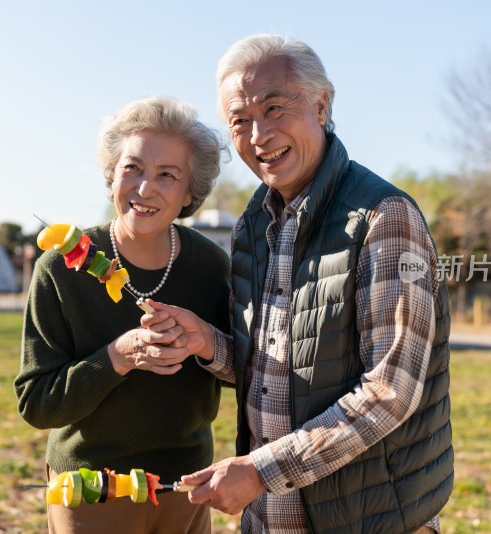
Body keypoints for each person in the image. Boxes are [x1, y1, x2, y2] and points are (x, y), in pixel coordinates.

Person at [143, 34, 453, 533]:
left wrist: (262, 470)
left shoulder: (382, 218)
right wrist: (209, 344)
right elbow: (272, 368)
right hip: (271, 519)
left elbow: (392, 390)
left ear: (321, 105)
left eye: (274, 108)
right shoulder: (252, 226)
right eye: (240, 121)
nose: (259, 134)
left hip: (368, 518)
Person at [14, 96, 230, 534]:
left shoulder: (212, 267)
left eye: (167, 175)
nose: (145, 189)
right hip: (91, 495)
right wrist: (116, 357)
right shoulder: (61, 269)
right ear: (111, 173)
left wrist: (205, 342)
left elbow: (249, 373)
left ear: (191, 191)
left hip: (183, 491)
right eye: (132, 168)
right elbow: (36, 404)